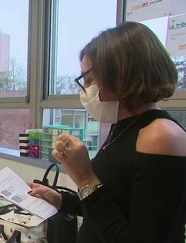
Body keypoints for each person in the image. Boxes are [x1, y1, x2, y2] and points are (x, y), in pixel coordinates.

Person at [28, 22, 186, 243]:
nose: (86, 90)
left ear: (122, 74)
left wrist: (85, 178)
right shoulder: (124, 127)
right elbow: (112, 206)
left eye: (90, 79)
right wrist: (61, 200)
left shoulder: (160, 137)